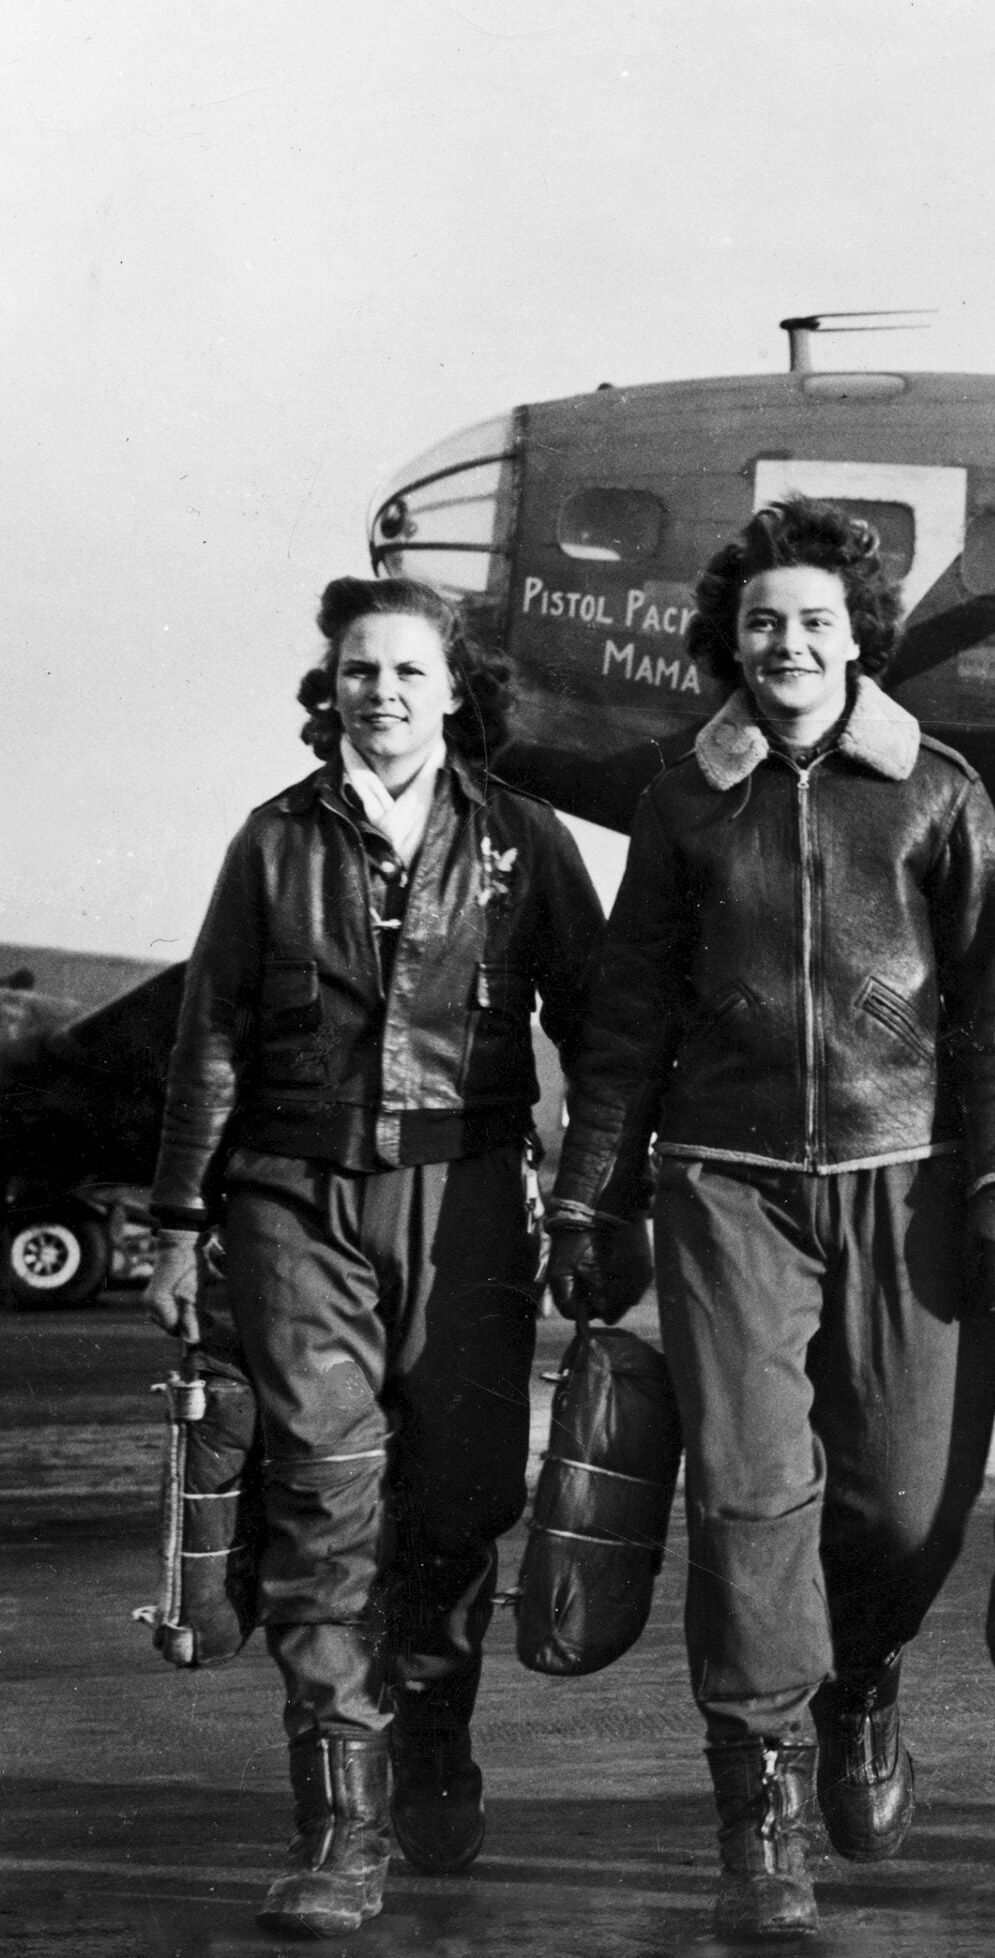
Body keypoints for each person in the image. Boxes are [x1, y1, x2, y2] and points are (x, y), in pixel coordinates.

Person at [544, 498, 995, 1942]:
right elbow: (628, 1018)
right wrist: (590, 1191)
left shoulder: (941, 791)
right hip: (727, 1179)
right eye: (763, 621)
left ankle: (865, 1682)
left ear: (857, 636)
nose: (789, 642)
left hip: (912, 1173)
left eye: (816, 619)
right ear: (732, 642)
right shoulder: (682, 801)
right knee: (755, 1494)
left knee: (903, 1497)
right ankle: (757, 1812)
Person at [146, 576, 636, 1939]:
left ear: (456, 690)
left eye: (409, 673)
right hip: (293, 1202)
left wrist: (597, 1201)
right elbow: (213, 1037)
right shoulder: (272, 843)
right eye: (359, 672)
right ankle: (342, 1826)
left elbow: (598, 1034)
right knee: (322, 1499)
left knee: (465, 1497)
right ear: (332, 691)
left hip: (472, 1197)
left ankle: (433, 1732)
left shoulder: (525, 842)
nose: (382, 694)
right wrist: (182, 1220)